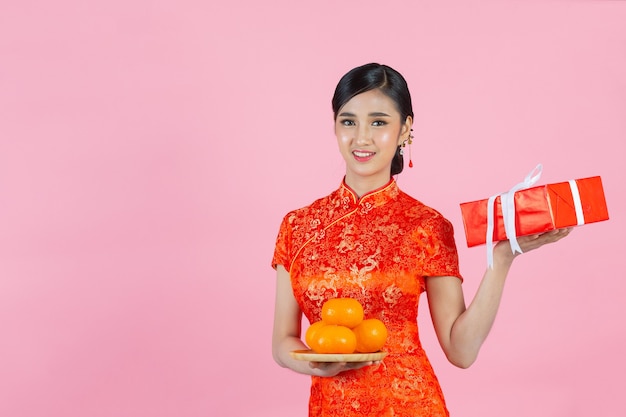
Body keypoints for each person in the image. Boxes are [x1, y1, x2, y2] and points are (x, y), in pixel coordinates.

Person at [270, 63, 571, 417]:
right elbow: (282, 342)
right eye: (348, 121)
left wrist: (501, 259)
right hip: (328, 407)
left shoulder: (427, 226)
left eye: (379, 122)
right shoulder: (298, 226)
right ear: (334, 127)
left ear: (405, 130)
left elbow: (461, 351)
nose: (362, 137)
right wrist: (314, 365)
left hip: (412, 405)